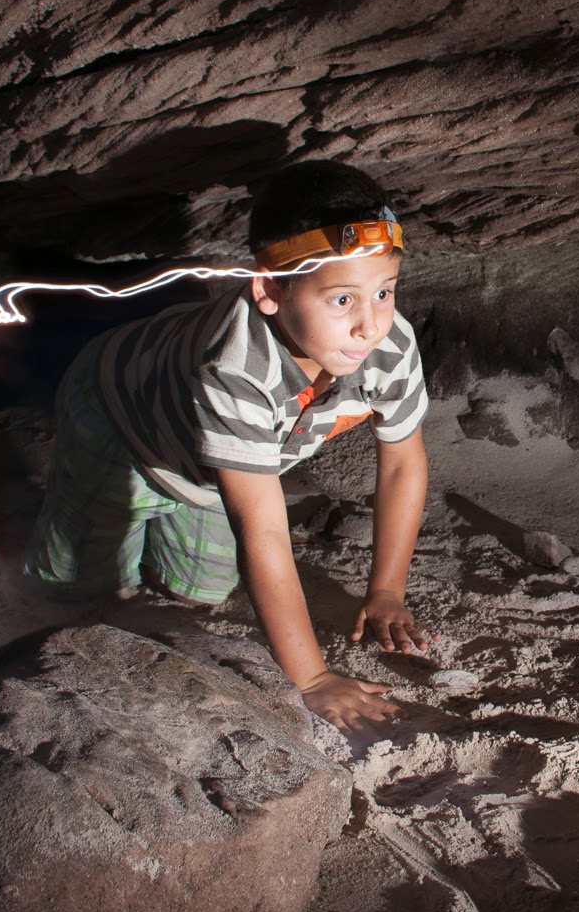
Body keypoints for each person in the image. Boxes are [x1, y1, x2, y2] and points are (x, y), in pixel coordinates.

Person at [23, 160, 435, 734]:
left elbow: (401, 465)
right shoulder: (233, 367)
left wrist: (387, 589)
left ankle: (169, 526)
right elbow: (262, 530)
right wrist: (313, 680)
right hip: (118, 419)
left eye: (385, 291)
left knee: (199, 590)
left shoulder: (390, 344)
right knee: (81, 590)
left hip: (204, 464)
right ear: (269, 290)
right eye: (342, 300)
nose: (370, 324)